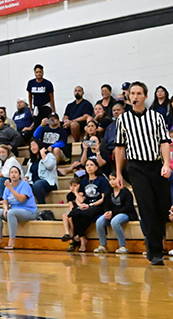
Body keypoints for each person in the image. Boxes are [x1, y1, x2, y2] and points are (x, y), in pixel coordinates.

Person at [115, 81, 172, 265]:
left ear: (146, 97)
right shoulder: (123, 120)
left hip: (156, 166)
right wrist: (119, 173)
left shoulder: (156, 117)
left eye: (139, 93)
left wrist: (166, 164)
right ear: (129, 97)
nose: (135, 96)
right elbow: (120, 148)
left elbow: (164, 141)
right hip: (136, 167)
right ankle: (155, 253)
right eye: (132, 93)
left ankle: (154, 241)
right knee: (147, 207)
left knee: (162, 207)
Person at [66, 158, 109, 252]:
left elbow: (103, 198)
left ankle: (77, 236)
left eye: (91, 165)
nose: (89, 167)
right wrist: (78, 201)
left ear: (96, 167)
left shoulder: (101, 180)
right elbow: (80, 198)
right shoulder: (84, 181)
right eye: (87, 165)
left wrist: (91, 205)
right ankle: (82, 239)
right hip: (86, 204)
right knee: (73, 214)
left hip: (98, 205)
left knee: (87, 214)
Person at [0, 166, 38, 249]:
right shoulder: (8, 186)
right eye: (11, 172)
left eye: (16, 172)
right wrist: (5, 208)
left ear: (19, 175)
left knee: (11, 212)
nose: (13, 174)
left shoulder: (24, 185)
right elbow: (5, 200)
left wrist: (11, 188)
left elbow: (21, 199)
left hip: (29, 211)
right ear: (9, 175)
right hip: (14, 212)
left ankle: (12, 240)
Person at [94, 172, 137, 254]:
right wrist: (107, 212)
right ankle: (103, 245)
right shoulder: (108, 193)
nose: (112, 182)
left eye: (114, 179)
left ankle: (122, 246)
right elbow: (106, 206)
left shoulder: (125, 192)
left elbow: (127, 207)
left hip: (126, 213)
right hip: (112, 214)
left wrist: (112, 212)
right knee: (99, 221)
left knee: (115, 222)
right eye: (110, 180)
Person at [61, 177, 81, 245]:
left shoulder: (81, 194)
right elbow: (71, 206)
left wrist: (76, 193)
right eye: (71, 185)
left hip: (80, 210)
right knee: (65, 215)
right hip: (74, 210)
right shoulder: (69, 195)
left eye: (75, 186)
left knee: (71, 218)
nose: (72, 188)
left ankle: (73, 238)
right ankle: (67, 233)